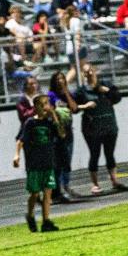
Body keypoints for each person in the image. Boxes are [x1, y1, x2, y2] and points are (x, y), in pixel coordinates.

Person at [13, 95, 64, 232]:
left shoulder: (49, 123)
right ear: (35, 107)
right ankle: (30, 215)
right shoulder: (30, 123)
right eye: (41, 104)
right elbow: (21, 141)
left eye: (46, 103)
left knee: (48, 193)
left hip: (48, 162)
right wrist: (17, 155)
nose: (44, 107)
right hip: (34, 164)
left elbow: (62, 134)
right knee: (35, 194)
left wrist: (54, 115)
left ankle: (46, 221)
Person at [75, 63, 128, 195]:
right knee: (95, 154)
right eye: (86, 72)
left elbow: (118, 98)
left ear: (95, 71)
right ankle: (95, 184)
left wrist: (107, 91)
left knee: (110, 154)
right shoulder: (82, 91)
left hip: (109, 124)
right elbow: (73, 107)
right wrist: (84, 106)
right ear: (83, 75)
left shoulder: (106, 84)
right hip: (92, 128)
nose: (90, 74)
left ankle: (115, 181)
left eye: (91, 71)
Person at [48, 72, 79, 202]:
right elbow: (51, 110)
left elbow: (74, 108)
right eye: (57, 79)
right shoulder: (51, 95)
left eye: (62, 78)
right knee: (58, 163)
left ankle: (66, 186)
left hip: (68, 131)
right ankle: (57, 190)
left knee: (67, 161)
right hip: (56, 132)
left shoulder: (68, 94)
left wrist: (66, 92)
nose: (60, 81)